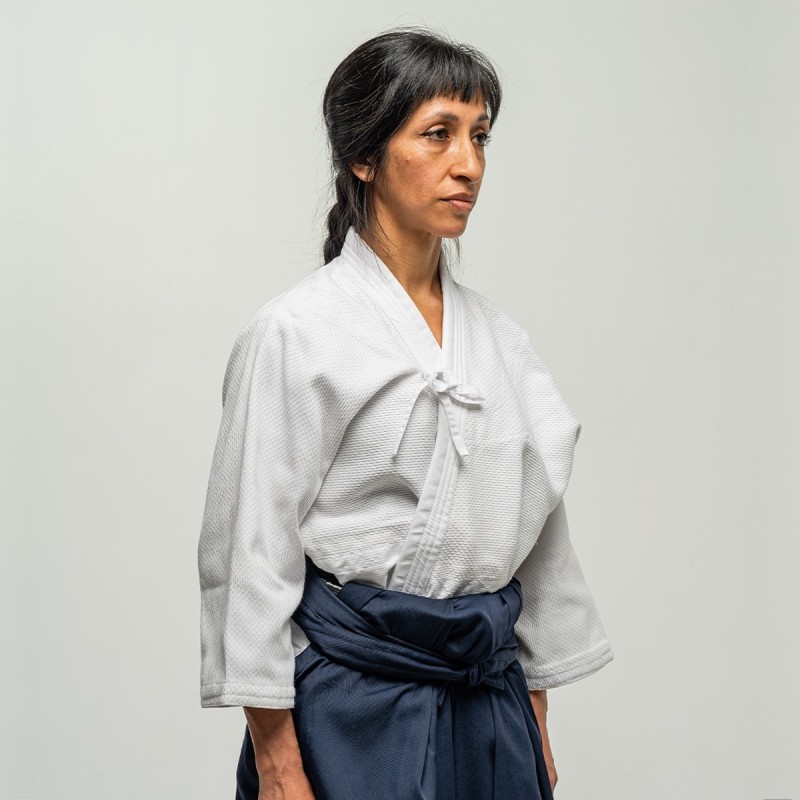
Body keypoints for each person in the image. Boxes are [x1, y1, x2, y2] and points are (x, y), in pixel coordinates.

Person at [198, 27, 613, 800]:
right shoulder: (297, 332)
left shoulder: (500, 340)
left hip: (489, 701)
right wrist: (277, 756)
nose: (469, 164)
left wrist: (536, 710)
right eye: (438, 134)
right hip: (354, 707)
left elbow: (535, 535)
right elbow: (251, 546)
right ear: (365, 156)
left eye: (479, 136)